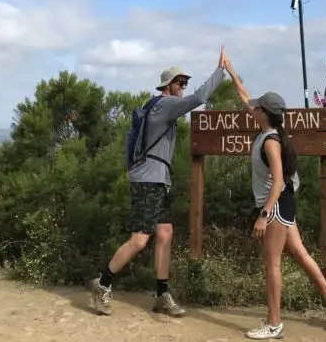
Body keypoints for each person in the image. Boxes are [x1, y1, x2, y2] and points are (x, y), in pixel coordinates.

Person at [89, 47, 227, 318]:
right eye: (179, 82)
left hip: (157, 180)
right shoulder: (165, 105)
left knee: (165, 234)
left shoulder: (155, 106)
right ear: (167, 85)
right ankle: (102, 283)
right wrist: (220, 71)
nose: (183, 87)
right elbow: (199, 97)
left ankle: (162, 295)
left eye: (185, 82)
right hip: (149, 180)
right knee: (140, 240)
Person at [224, 56, 326, 339]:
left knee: (272, 263)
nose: (253, 108)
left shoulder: (271, 141)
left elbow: (278, 181)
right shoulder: (269, 129)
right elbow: (244, 97)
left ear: (265, 113)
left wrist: (264, 215)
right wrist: (231, 71)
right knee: (300, 254)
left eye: (258, 107)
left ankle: (274, 323)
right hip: (282, 203)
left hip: (275, 206)